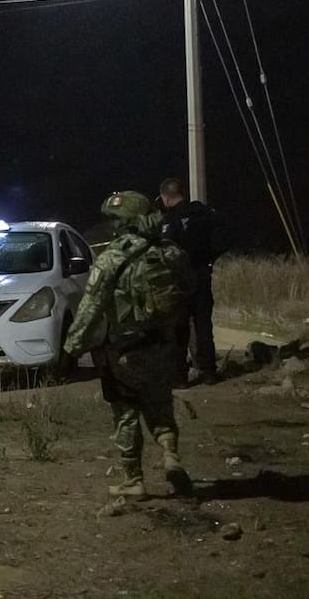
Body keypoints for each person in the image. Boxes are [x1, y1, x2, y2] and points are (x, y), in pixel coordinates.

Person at [63, 191, 193, 498]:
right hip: (164, 347)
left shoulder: (111, 259)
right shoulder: (171, 253)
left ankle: (133, 479)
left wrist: (71, 348)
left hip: (125, 352)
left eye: (114, 220)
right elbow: (189, 288)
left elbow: (90, 308)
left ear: (124, 223)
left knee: (126, 413)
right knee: (160, 404)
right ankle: (170, 454)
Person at [157, 177, 220, 386]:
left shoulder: (169, 220)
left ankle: (179, 377)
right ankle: (209, 372)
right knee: (203, 325)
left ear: (166, 197)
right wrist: (209, 259)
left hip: (179, 281)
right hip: (201, 276)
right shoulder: (203, 214)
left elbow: (164, 251)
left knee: (178, 329)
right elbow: (222, 239)